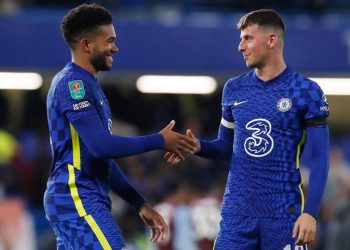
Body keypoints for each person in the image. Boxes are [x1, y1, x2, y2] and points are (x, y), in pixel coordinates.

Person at [166, 9, 329, 250]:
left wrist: (311, 213)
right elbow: (225, 147)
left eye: (248, 38)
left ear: (271, 40)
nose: (240, 47)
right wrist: (197, 146)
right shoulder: (234, 89)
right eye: (241, 39)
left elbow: (319, 157)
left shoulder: (306, 91)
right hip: (237, 216)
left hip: (284, 215)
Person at [44, 3, 196, 249]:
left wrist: (139, 203)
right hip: (76, 196)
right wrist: (159, 140)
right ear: (86, 45)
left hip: (82, 197)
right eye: (110, 41)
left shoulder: (90, 86)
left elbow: (98, 158)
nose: (115, 47)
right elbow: (101, 147)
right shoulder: (74, 84)